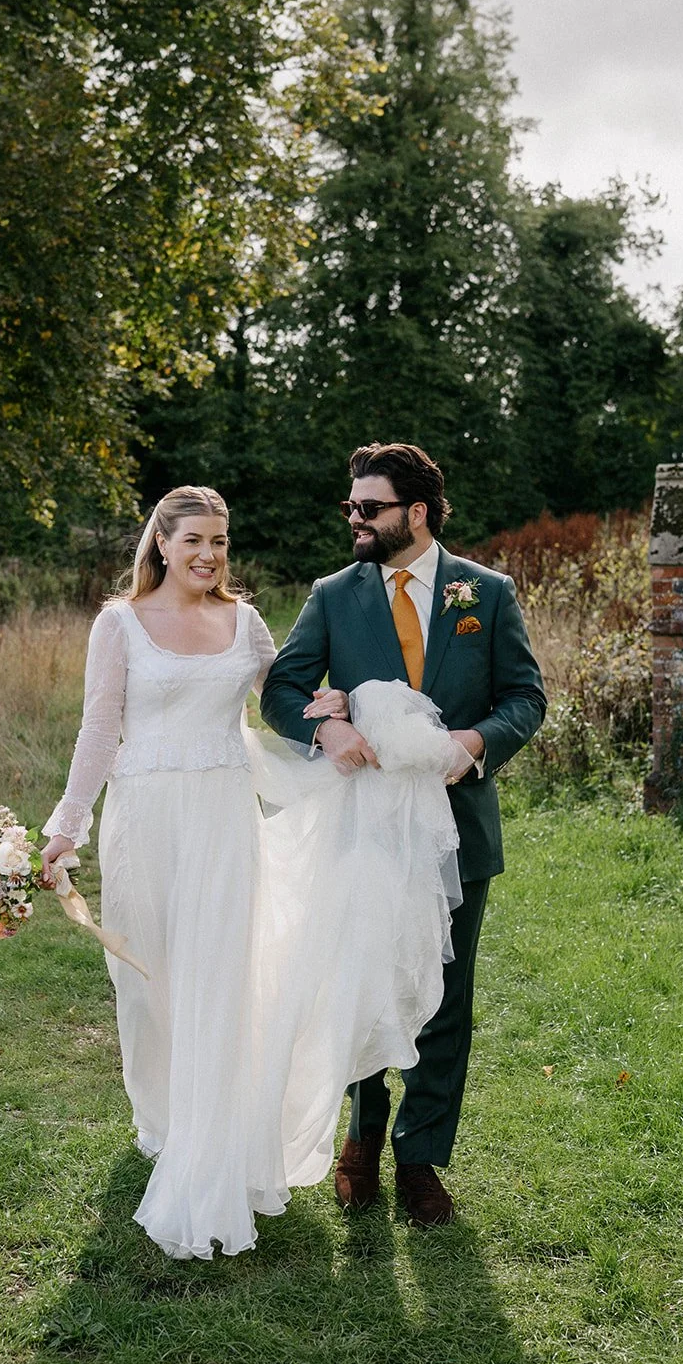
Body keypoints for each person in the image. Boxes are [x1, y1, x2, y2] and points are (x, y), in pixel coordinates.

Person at [40, 483, 465, 1260]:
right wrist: (66, 827)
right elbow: (98, 729)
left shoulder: (244, 621)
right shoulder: (119, 623)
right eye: (193, 541)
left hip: (222, 823)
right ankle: (166, 1119)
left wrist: (333, 711)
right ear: (160, 544)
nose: (208, 556)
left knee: (218, 979)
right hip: (143, 823)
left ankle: (213, 1144)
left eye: (219, 542)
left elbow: (285, 693)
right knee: (149, 983)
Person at [261, 441, 546, 1226]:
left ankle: (420, 1157)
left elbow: (525, 697)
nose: (353, 519)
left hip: (457, 831)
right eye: (349, 506)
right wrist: (325, 730)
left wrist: (475, 742)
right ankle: (361, 1138)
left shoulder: (484, 593)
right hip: (364, 825)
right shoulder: (333, 596)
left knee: (445, 998)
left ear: (415, 512)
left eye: (368, 507)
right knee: (362, 983)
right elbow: (282, 689)